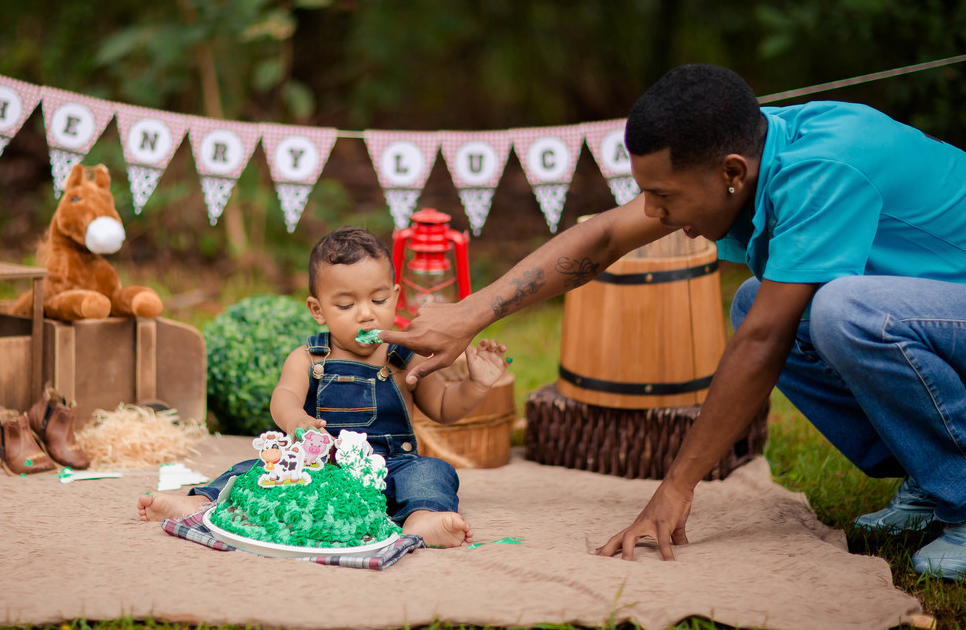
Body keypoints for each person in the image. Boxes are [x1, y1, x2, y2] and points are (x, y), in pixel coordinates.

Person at [381, 63, 966, 578]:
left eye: (664, 197)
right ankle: (928, 475)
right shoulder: (742, 148)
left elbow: (761, 342)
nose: (655, 214)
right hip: (937, 313)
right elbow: (608, 235)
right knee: (756, 300)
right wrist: (471, 313)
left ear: (732, 174)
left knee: (837, 313)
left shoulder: (822, 168)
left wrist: (676, 487)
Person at [138, 226, 510, 548]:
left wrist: (476, 386)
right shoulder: (308, 358)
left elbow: (444, 407)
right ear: (319, 310)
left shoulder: (403, 357)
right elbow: (283, 398)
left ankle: (423, 518)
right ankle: (201, 501)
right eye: (346, 305)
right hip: (318, 464)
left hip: (392, 468)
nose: (366, 313)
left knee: (432, 472)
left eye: (378, 300)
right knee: (254, 467)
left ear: (396, 296)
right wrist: (296, 421)